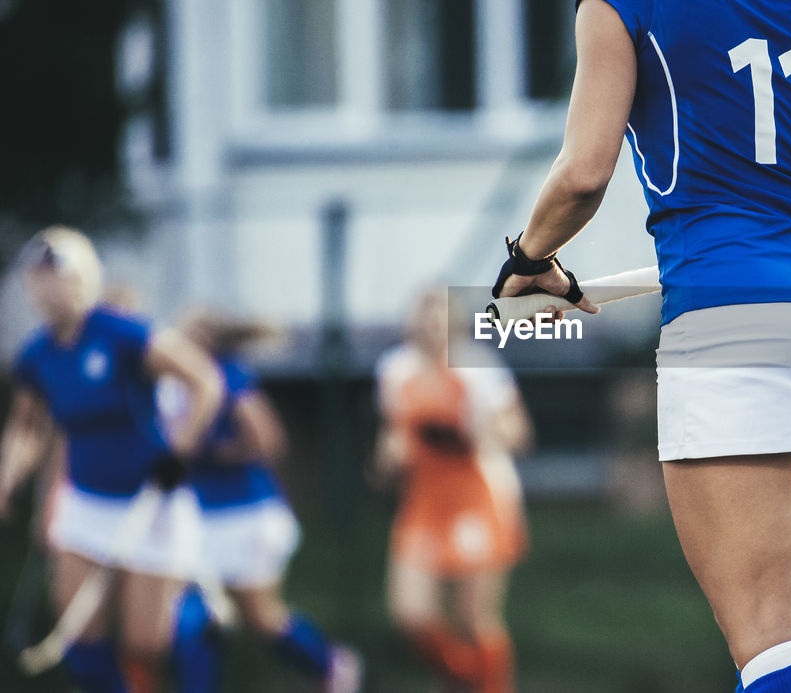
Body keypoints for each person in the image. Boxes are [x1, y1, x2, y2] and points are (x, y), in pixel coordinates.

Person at [490, 0, 791, 691]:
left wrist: (532, 256)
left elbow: (582, 174)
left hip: (732, 316)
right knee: (780, 623)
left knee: (769, 631)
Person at [0, 226, 225, 693]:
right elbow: (27, 428)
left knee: (145, 643)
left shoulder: (123, 334)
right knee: (79, 634)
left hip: (148, 500)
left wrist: (180, 452)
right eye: (37, 277)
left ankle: (194, 615)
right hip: (86, 503)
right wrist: (7, 480)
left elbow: (204, 381)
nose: (46, 286)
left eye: (56, 273)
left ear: (82, 277)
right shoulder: (37, 356)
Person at [156, 308, 363, 693]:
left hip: (246, 513)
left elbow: (267, 440)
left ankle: (330, 665)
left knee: (259, 618)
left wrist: (209, 451)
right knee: (194, 616)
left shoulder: (227, 376)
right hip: (198, 517)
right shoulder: (169, 385)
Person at [374, 290, 532, 693]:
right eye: (424, 317)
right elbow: (393, 438)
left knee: (473, 619)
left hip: (478, 497)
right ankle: (465, 680)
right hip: (425, 500)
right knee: (412, 614)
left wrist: (489, 431)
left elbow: (518, 433)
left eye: (439, 318)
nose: (431, 327)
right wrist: (388, 457)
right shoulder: (394, 371)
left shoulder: (479, 371)